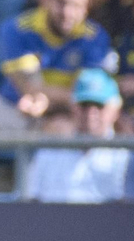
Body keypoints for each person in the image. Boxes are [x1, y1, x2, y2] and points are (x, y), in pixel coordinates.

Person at [0, 0, 115, 132]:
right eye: (60, 2)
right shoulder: (16, 29)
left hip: (65, 114)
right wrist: (68, 96)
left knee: (66, 130)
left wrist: (54, 100)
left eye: (76, 5)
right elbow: (29, 88)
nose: (67, 13)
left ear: (87, 7)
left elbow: (87, 93)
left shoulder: (95, 38)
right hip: (13, 107)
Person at [23, 67, 128, 203]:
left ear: (115, 110)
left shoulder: (126, 158)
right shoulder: (49, 152)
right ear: (73, 107)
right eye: (85, 105)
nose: (91, 113)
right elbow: (31, 202)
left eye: (99, 105)